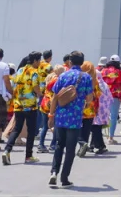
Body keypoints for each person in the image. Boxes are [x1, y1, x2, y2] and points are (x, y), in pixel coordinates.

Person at [49, 50, 93, 189]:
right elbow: (90, 98)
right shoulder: (86, 77)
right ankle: (64, 178)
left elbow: (55, 96)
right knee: (70, 149)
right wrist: (84, 103)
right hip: (75, 118)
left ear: (70, 62)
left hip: (60, 117)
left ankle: (54, 172)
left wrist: (51, 115)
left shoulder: (63, 75)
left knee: (58, 145)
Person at [2, 51, 42, 165]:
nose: (39, 63)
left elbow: (14, 86)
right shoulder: (34, 72)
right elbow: (35, 88)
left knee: (16, 129)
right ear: (35, 60)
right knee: (31, 131)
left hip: (18, 104)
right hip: (30, 106)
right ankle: (28, 156)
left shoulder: (19, 70)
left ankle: (7, 150)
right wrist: (41, 93)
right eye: (39, 60)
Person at [38, 64, 64, 153]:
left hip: (44, 103)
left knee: (45, 126)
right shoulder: (58, 80)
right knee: (55, 125)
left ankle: (41, 144)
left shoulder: (49, 77)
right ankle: (53, 144)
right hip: (52, 104)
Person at [101, 55, 121, 144]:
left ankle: (103, 135)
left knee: (105, 116)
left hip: (104, 95)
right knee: (113, 116)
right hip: (115, 95)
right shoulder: (119, 72)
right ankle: (110, 137)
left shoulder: (103, 71)